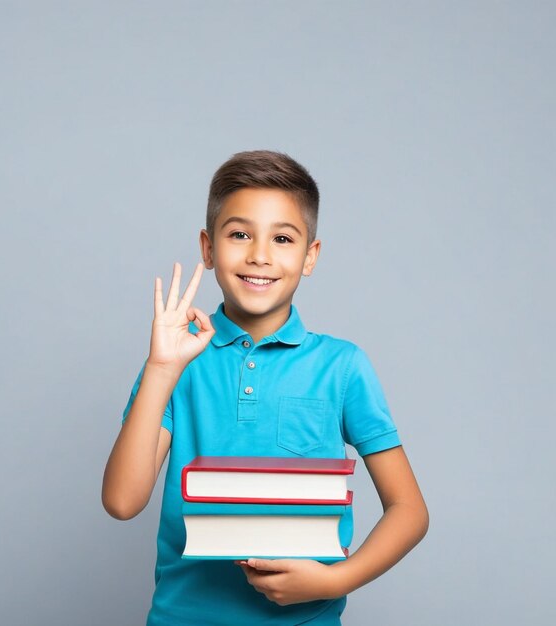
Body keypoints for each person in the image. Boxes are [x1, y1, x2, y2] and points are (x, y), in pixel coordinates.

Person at [102, 150, 429, 625]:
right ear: (208, 248)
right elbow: (122, 501)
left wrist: (337, 580)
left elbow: (409, 510)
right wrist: (159, 369)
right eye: (239, 234)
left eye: (282, 238)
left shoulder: (341, 366)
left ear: (310, 256)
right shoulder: (177, 363)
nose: (259, 255)